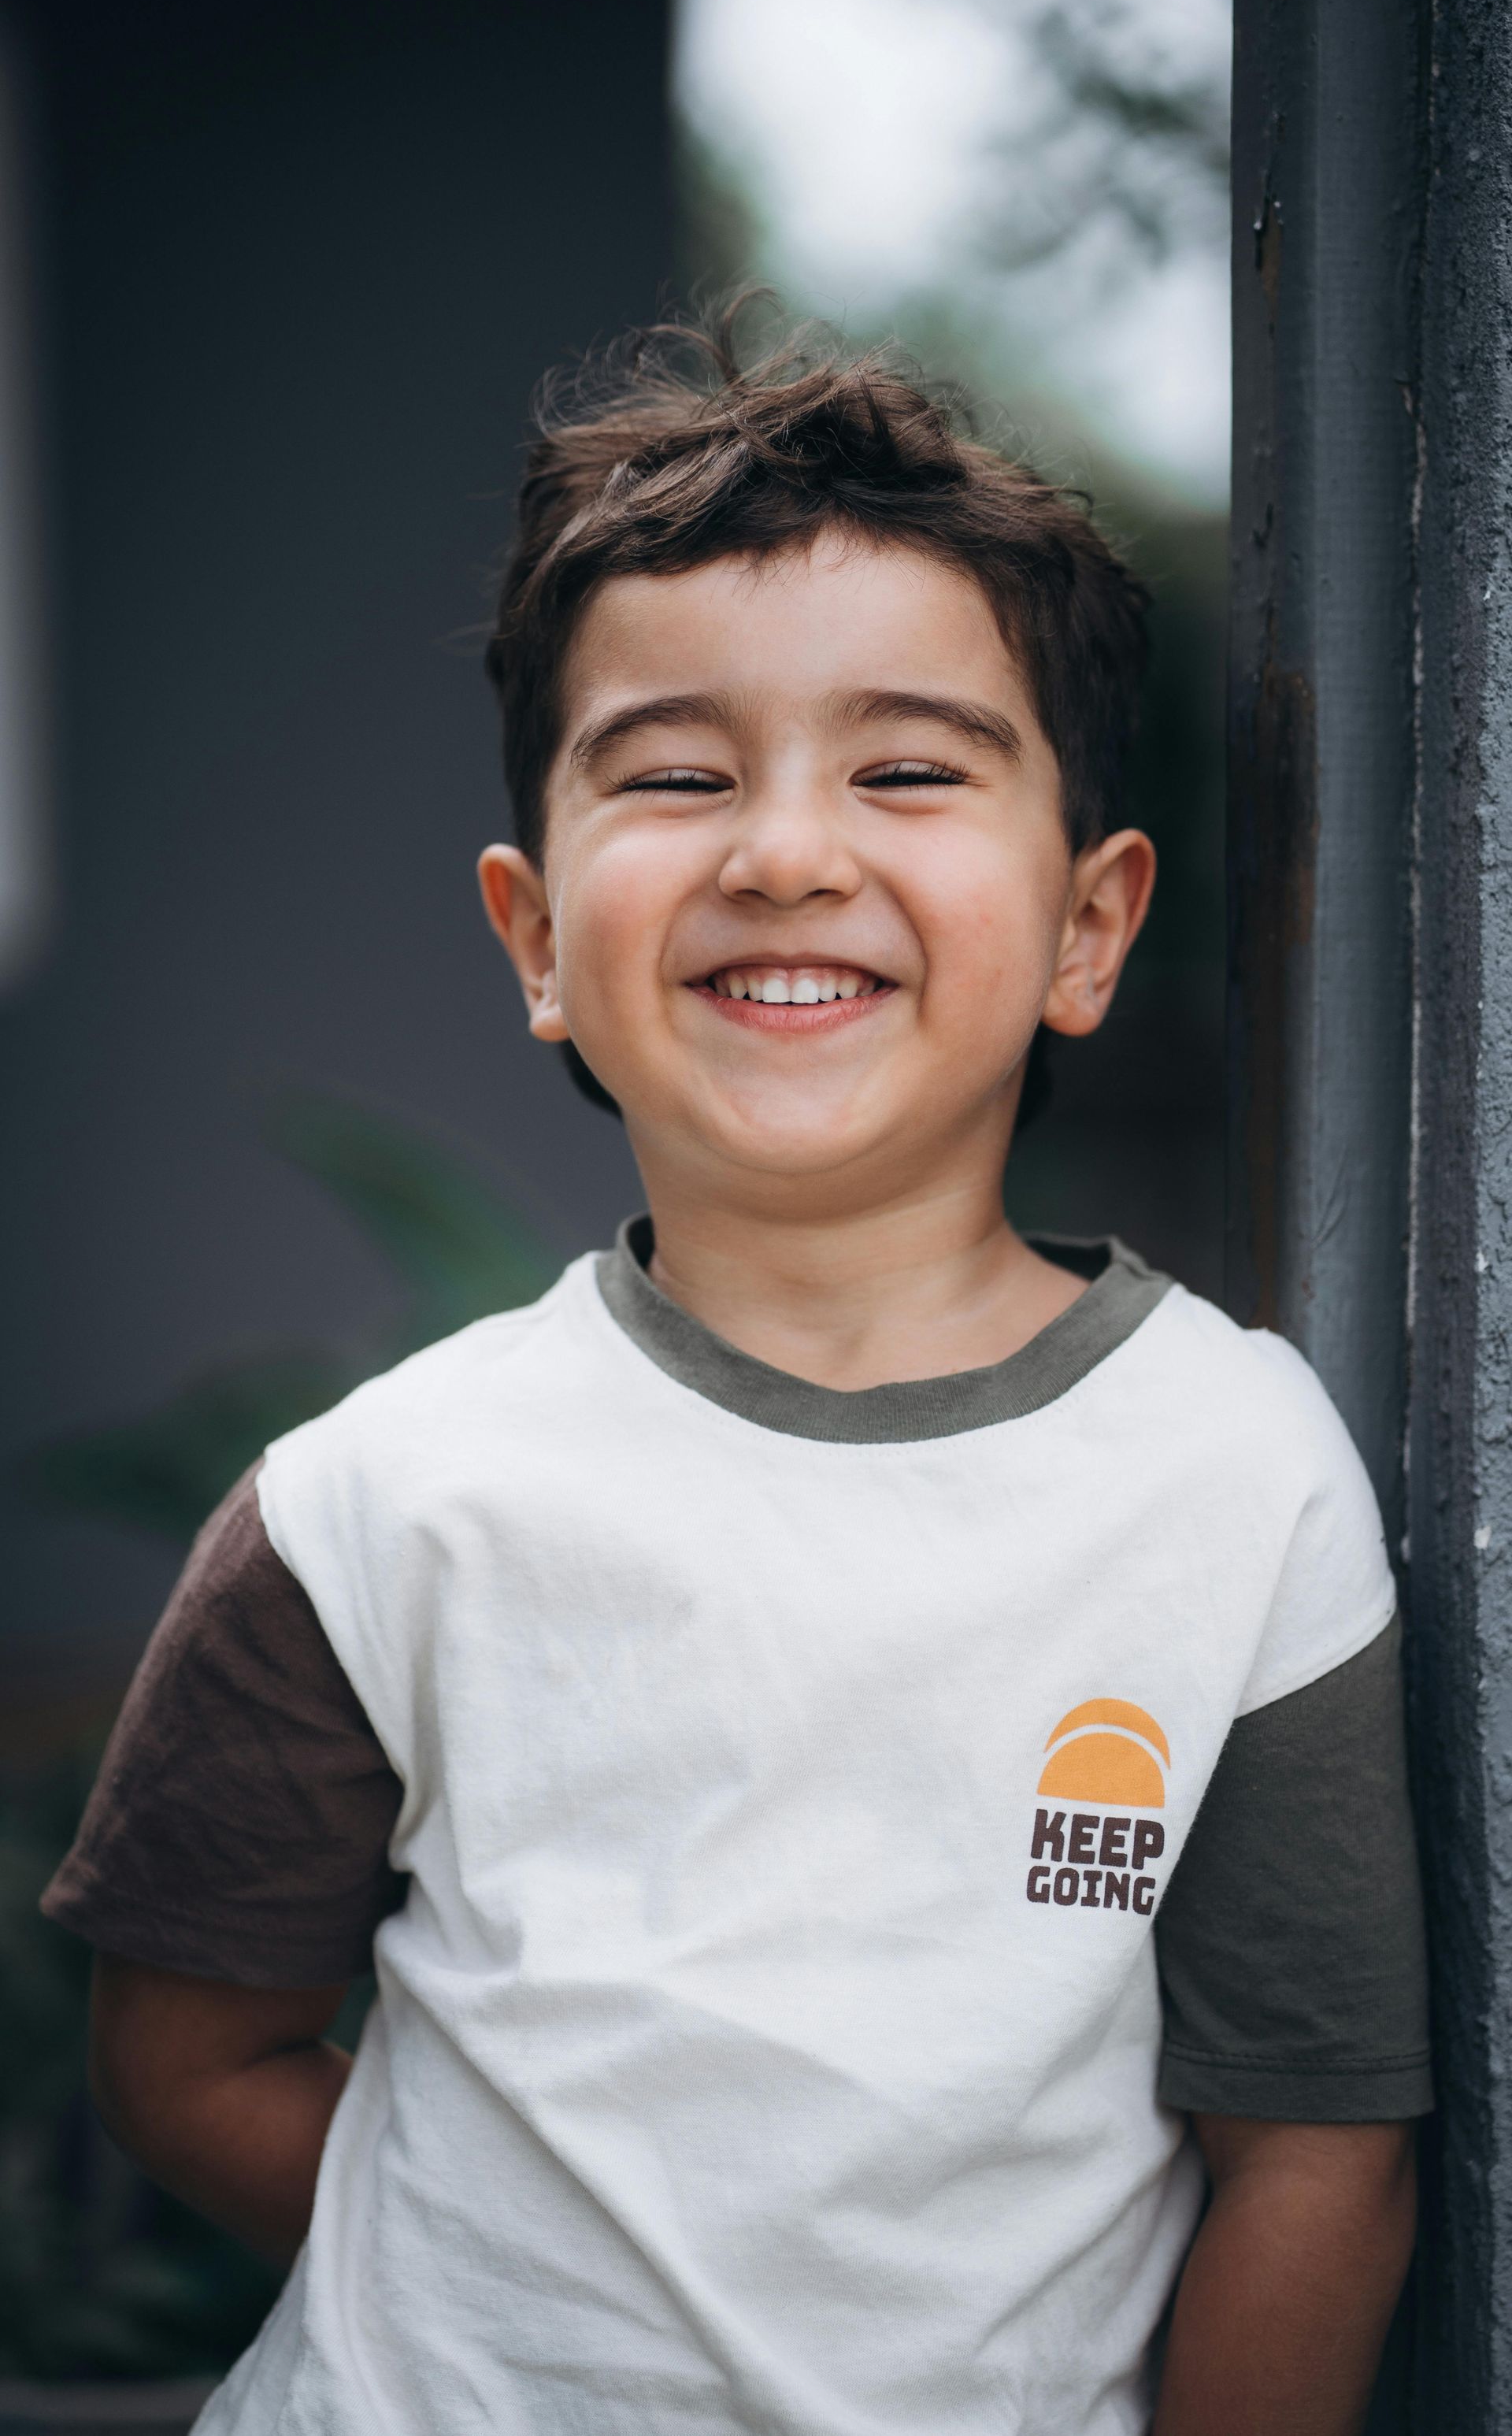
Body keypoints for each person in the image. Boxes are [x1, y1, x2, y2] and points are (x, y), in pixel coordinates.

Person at [44, 315, 1431, 2435]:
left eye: (906, 767)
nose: (786, 849)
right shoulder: (381, 1499)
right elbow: (185, 2055)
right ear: (532, 936)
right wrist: (525, 2308)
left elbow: (1318, 2156)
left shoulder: (1238, 1479)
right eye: (678, 772)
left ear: (1088, 922)